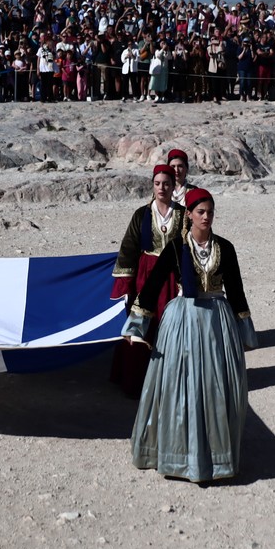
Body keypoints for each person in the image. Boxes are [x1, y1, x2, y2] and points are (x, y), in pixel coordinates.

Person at [122, 188, 255, 483]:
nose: (206, 217)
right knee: (181, 386)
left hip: (217, 323)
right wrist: (136, 326)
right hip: (183, 321)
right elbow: (153, 286)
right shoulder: (175, 248)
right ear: (190, 215)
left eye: (210, 212)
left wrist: (244, 328)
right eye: (200, 212)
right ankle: (178, 455)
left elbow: (236, 290)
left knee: (217, 387)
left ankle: (215, 458)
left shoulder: (226, 248)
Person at [109, 165, 188, 397]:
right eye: (157, 183)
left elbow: (188, 248)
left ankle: (170, 385)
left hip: (172, 278)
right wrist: (125, 284)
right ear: (152, 186)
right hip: (146, 276)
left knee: (172, 326)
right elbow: (128, 248)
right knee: (142, 326)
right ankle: (137, 383)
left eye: (166, 183)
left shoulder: (183, 215)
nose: (161, 188)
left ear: (174, 186)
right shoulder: (142, 214)